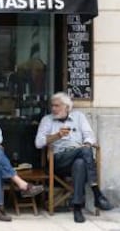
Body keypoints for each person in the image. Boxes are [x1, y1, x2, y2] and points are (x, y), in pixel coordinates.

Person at [35, 92, 113, 223]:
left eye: (57, 106)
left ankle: (77, 208)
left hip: (80, 158)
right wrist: (57, 136)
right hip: (59, 160)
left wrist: (87, 143)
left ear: (66, 107)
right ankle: (97, 194)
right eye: (52, 106)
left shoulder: (79, 117)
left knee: (80, 163)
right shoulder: (47, 120)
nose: (53, 108)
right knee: (84, 151)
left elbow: (89, 135)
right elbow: (38, 143)